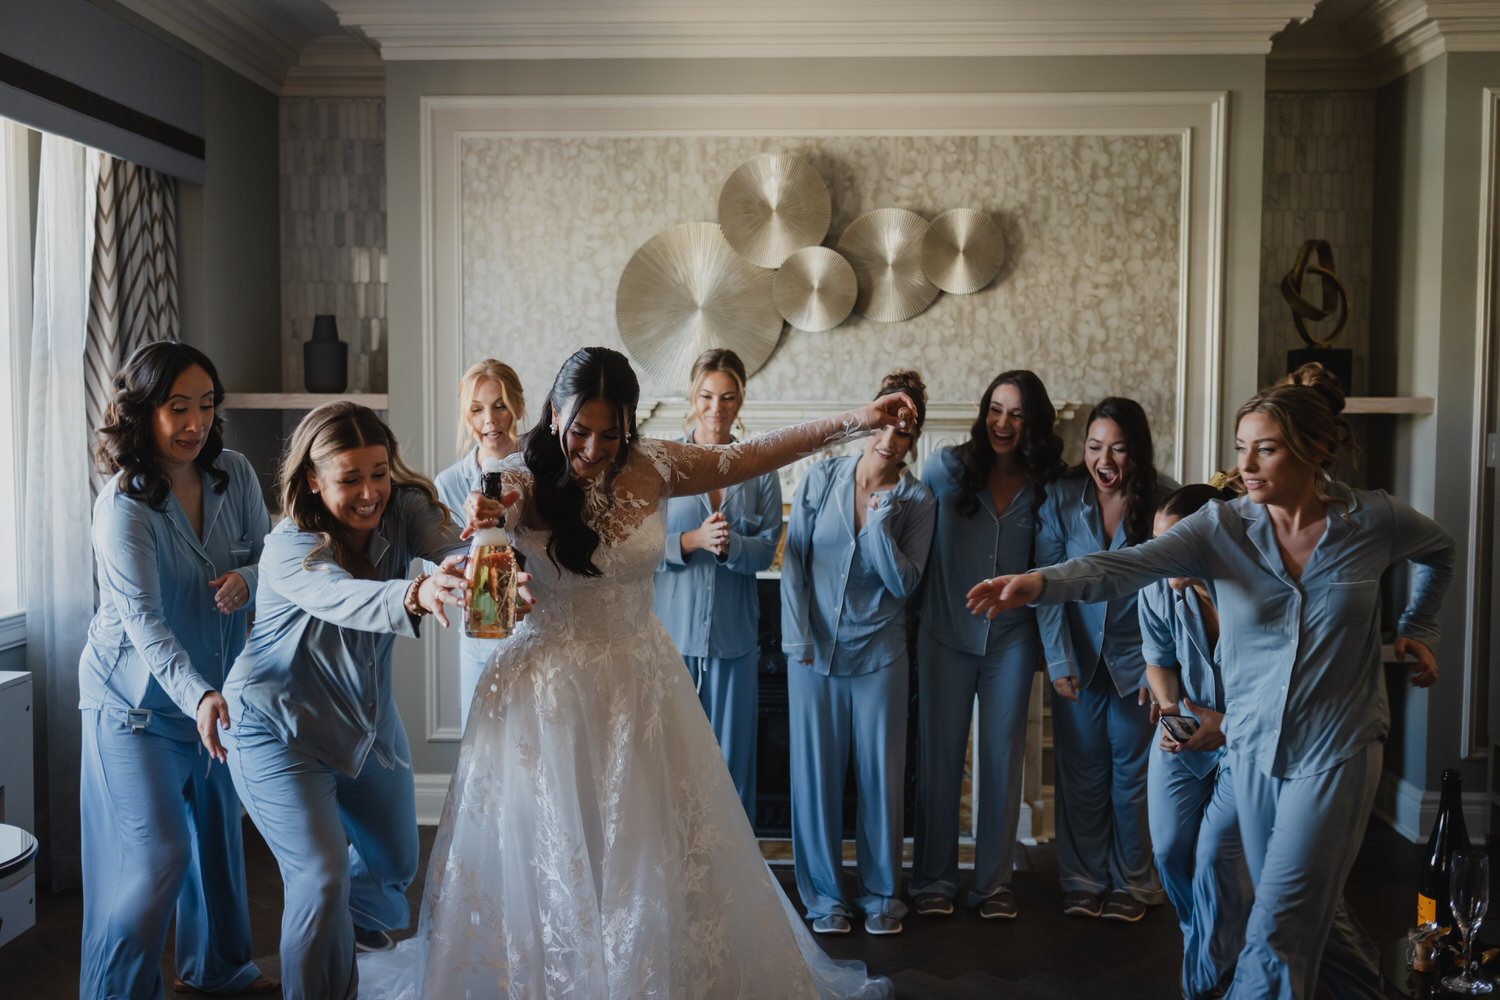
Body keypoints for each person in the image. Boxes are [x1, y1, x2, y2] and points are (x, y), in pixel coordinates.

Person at [359, 346, 910, 998]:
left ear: (630, 423)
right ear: (554, 413)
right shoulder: (518, 476)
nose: (591, 448)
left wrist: (859, 420)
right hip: (547, 694)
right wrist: (489, 532)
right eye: (579, 430)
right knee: (557, 855)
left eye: (609, 432)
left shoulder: (657, 464)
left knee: (647, 852)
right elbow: (492, 604)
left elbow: (758, 453)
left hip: (641, 686)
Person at [967, 364, 1455, 1000]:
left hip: (1337, 748)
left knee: (1278, 920)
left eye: (1266, 448)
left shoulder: (1372, 522)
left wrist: (1419, 625)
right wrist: (1038, 583)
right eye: (1240, 448)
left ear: (1315, 450)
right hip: (1252, 749)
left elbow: (1439, 551)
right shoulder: (1222, 529)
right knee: (1298, 914)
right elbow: (1127, 565)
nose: (1246, 465)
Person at [220, 403, 473, 1000]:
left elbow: (447, 542)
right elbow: (341, 596)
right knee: (321, 876)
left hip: (365, 724)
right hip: (275, 728)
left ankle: (341, 929)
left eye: (379, 472)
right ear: (312, 478)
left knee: (394, 864)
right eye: (350, 478)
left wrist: (466, 560)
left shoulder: (403, 507)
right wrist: (414, 592)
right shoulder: (289, 546)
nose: (370, 493)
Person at [78, 341, 276, 998]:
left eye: (206, 406)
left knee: (219, 848)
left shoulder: (236, 474)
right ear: (143, 412)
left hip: (216, 703)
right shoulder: (124, 507)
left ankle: (218, 970)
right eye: (177, 408)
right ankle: (114, 992)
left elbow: (274, 561)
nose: (195, 423)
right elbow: (144, 623)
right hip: (134, 711)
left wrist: (249, 579)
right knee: (158, 857)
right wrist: (199, 697)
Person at [781, 369, 937, 938]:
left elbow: (905, 586)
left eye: (905, 429)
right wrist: (797, 638)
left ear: (913, 440)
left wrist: (878, 523)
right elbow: (793, 562)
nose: (890, 438)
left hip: (880, 657)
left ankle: (881, 897)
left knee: (880, 780)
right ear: (869, 414)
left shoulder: (918, 500)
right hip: (812, 654)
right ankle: (825, 900)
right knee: (815, 780)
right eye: (885, 420)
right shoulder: (821, 477)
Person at [909, 370, 1064, 921]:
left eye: (1017, 414)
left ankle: (993, 885)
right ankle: (932, 879)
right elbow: (914, 542)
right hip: (944, 633)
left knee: (1002, 761)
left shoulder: (1047, 485)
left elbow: (1053, 569)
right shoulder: (945, 467)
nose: (1002, 423)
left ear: (1034, 422)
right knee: (939, 759)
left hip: (1012, 640)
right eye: (995, 409)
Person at [1033, 397, 1170, 922]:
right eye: (1094, 447)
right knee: (1082, 775)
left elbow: (1175, 593)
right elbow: (1045, 585)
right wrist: (1058, 657)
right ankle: (1083, 879)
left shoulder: (1166, 501)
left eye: (1117, 447)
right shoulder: (1062, 499)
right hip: (1078, 662)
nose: (1104, 459)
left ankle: (1133, 883)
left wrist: (1160, 667)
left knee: (1133, 779)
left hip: (1140, 666)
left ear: (1136, 451)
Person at [653, 348, 782, 820]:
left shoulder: (760, 469)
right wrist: (690, 540)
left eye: (727, 398)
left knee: (732, 770)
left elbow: (767, 550)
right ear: (693, 395)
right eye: (707, 396)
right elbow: (642, 548)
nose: (716, 409)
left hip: (734, 643)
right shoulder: (664, 466)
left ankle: (737, 882)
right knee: (671, 762)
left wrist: (730, 549)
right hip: (672, 641)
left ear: (740, 400)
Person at [1139, 482, 1251, 999]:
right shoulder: (1158, 588)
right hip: (1184, 723)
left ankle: (1210, 976)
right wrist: (1169, 715)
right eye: (1158, 543)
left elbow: (1284, 693)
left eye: (1174, 544)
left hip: (1248, 740)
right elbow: (1159, 662)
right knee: (1168, 849)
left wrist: (1223, 727)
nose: (1163, 557)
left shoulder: (1257, 593)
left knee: (1213, 859)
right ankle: (1201, 936)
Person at [434, 359, 527, 728]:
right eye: (477, 409)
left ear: (517, 405)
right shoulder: (449, 484)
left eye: (500, 405)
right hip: (481, 637)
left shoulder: (544, 472)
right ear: (466, 416)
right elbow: (439, 570)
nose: (490, 419)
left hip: (539, 628)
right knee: (483, 744)